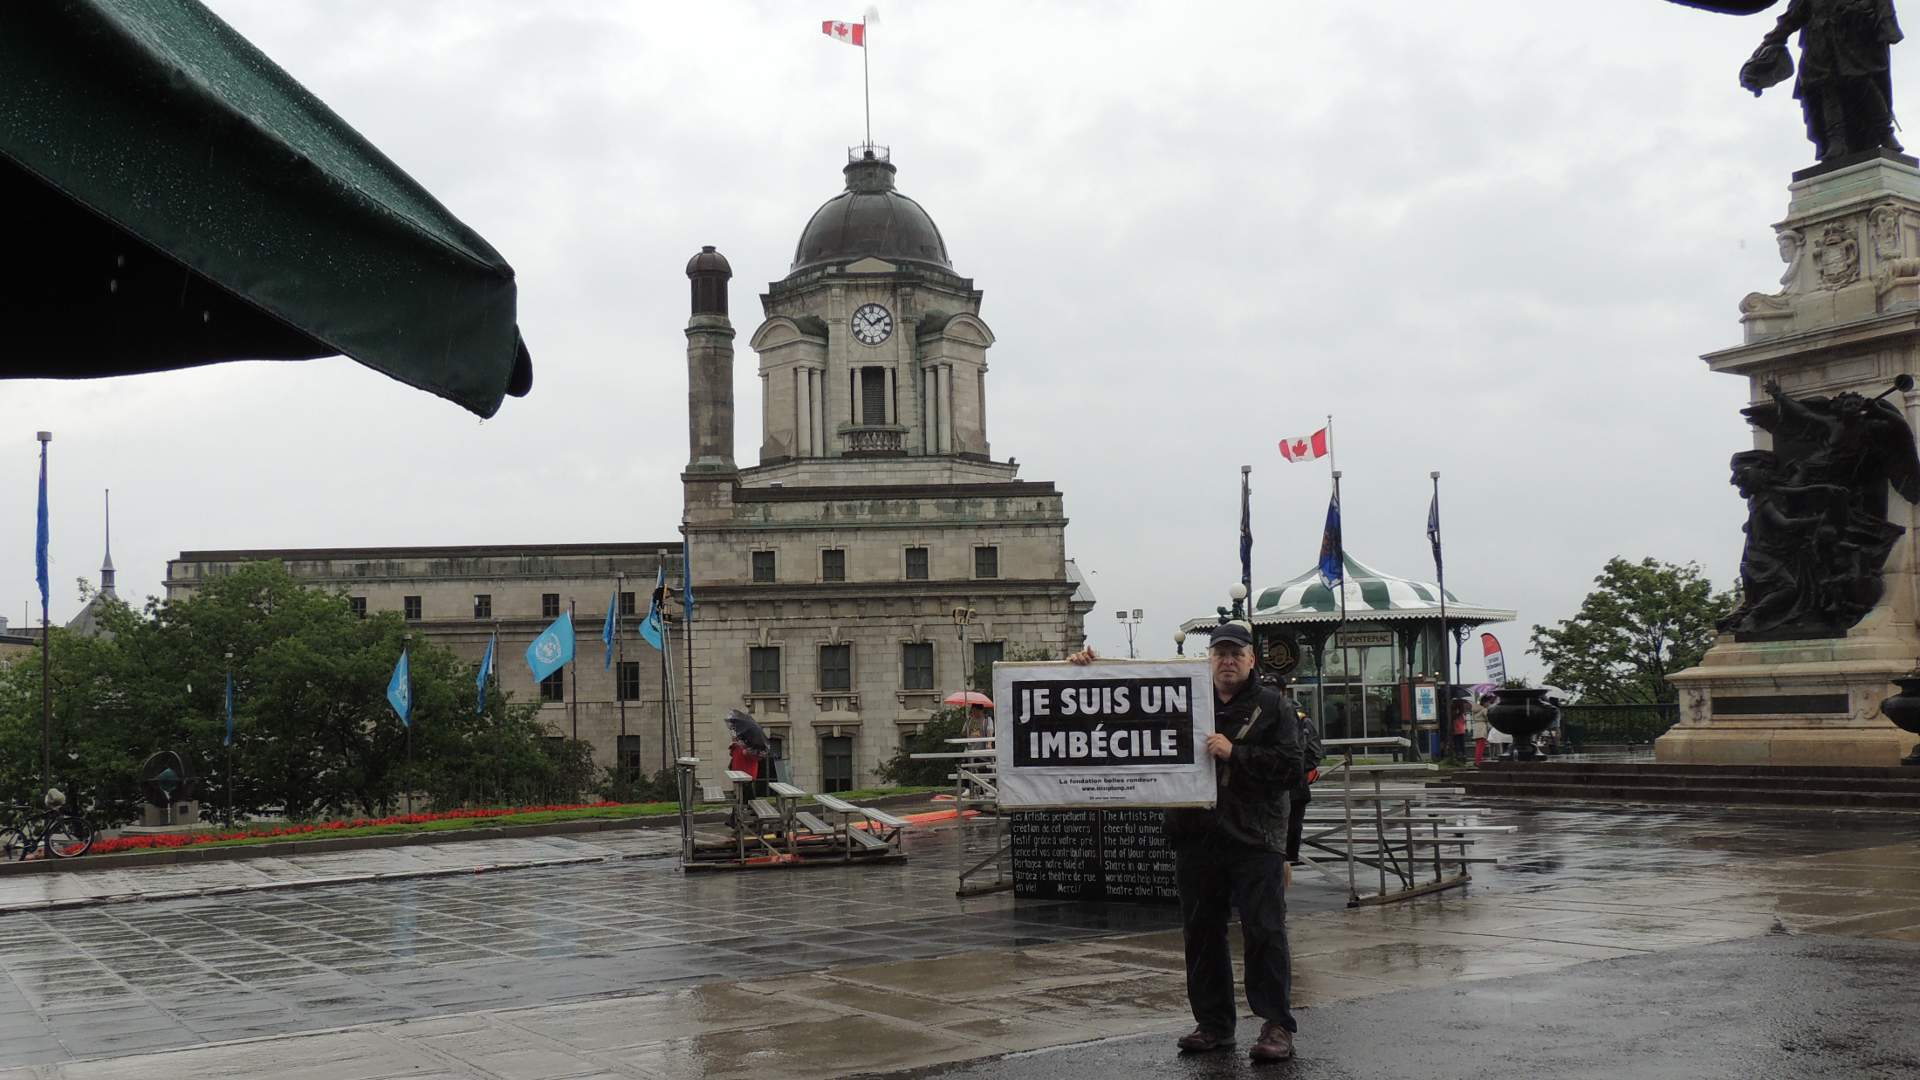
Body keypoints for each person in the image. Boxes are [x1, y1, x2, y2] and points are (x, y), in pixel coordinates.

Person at [1070, 621, 1303, 1062]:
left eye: (1237, 653)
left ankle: (1276, 1026)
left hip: (1255, 838)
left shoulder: (1274, 706)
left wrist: (1237, 753)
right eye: (1220, 653)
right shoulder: (1182, 697)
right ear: (1209, 659)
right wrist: (1082, 671)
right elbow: (1117, 704)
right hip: (1196, 836)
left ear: (1252, 659)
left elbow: (1294, 768)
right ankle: (1214, 1025)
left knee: (1264, 932)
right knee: (1201, 935)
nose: (1228, 661)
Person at [1471, 694, 1491, 765]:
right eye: (1488, 702)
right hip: (1482, 727)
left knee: (1478, 745)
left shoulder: (1475, 709)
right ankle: (1478, 761)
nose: (1489, 703)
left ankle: (1478, 759)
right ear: (1484, 702)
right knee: (1481, 745)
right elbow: (1488, 718)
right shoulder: (1484, 709)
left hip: (1476, 727)